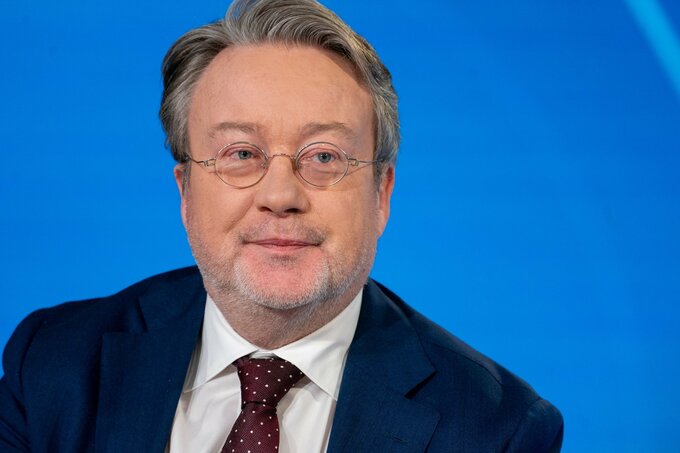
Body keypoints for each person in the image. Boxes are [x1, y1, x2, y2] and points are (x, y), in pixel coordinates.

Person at [0, 0, 563, 451]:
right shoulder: (54, 364)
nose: (280, 197)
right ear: (185, 192)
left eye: (324, 157)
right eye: (241, 154)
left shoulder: (497, 430)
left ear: (381, 194)